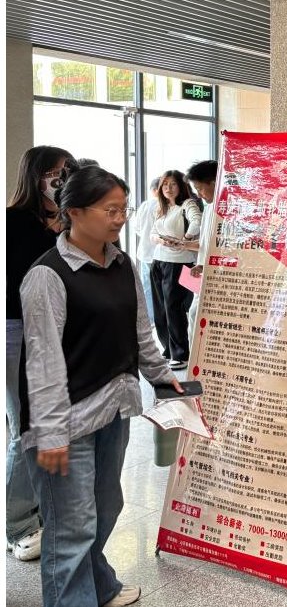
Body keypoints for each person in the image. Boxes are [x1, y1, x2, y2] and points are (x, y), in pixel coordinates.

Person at [19, 166, 184, 607]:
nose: (120, 219)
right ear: (74, 212)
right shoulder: (48, 274)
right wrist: (51, 432)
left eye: (123, 209)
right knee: (70, 528)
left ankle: (100, 586)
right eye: (110, 210)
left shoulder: (121, 262)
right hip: (66, 421)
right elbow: (43, 361)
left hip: (113, 409)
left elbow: (141, 328)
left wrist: (161, 375)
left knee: (105, 507)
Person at [6, 145, 76, 562]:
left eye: (68, 171)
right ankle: (18, 525)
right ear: (35, 177)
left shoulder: (69, 221)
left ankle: (40, 510)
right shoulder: (13, 222)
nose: (61, 180)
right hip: (16, 331)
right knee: (25, 427)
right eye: (54, 173)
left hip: (57, 335)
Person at [150, 170, 202, 370]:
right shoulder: (162, 207)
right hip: (158, 260)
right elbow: (152, 234)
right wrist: (160, 240)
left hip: (178, 262)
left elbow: (197, 222)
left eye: (173, 184)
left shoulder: (187, 204)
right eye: (165, 185)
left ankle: (180, 354)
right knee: (160, 308)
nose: (168, 188)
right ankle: (168, 349)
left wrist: (185, 239)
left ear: (181, 186)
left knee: (174, 308)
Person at [184, 160, 219, 341]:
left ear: (213, 183)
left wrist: (207, 266)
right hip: (203, 273)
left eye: (199, 188)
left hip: (215, 278)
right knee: (194, 317)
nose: (198, 194)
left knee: (197, 318)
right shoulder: (209, 208)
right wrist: (184, 245)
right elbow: (205, 243)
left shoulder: (225, 211)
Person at [132, 178, 161, 322]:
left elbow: (137, 228)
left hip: (145, 252)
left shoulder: (145, 205)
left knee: (147, 287)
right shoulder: (166, 205)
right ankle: (161, 317)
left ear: (154, 190)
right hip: (161, 254)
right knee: (161, 287)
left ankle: (150, 319)